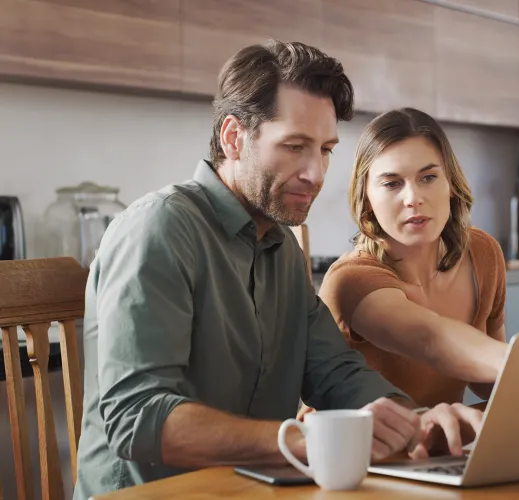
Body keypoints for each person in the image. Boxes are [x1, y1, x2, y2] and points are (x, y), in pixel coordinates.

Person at [73, 42, 481, 499]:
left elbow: (335, 373)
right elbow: (138, 417)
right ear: (233, 137)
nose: (315, 172)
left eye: (326, 150)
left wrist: (415, 421)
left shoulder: (281, 247)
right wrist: (308, 440)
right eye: (294, 146)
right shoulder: (160, 228)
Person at [317, 108, 519, 409]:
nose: (413, 198)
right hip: (355, 452)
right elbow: (431, 340)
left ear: (451, 184)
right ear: (366, 197)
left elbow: (486, 380)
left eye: (429, 177)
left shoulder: (483, 253)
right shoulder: (351, 279)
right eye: (392, 183)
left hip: (438, 449)